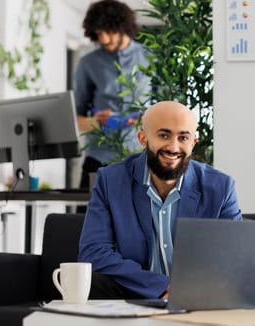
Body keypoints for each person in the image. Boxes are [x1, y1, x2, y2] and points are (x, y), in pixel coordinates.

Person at [78, 101, 242, 299]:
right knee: (94, 283)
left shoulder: (221, 187)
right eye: (164, 135)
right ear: (143, 139)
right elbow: (94, 252)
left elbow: (232, 257)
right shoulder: (110, 181)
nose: (173, 147)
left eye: (183, 137)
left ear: (193, 143)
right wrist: (161, 287)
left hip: (196, 296)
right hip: (134, 293)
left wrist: (190, 289)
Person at [74, 0, 150, 192]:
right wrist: (96, 122)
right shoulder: (88, 63)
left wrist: (146, 120)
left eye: (110, 32)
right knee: (85, 220)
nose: (105, 39)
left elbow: (166, 109)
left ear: (124, 27)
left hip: (139, 157)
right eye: (100, 33)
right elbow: (75, 118)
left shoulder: (150, 59)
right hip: (98, 158)